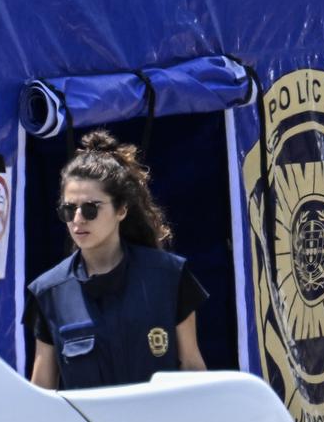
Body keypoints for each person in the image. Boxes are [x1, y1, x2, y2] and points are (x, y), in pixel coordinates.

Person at [25, 129, 207, 389]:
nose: (78, 220)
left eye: (90, 209)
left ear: (121, 209)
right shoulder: (48, 293)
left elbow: (192, 366)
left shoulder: (170, 277)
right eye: (69, 209)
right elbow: (42, 387)